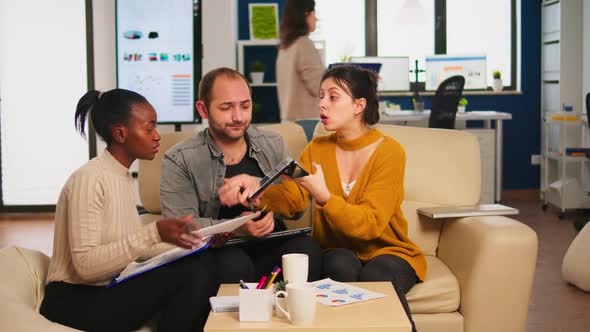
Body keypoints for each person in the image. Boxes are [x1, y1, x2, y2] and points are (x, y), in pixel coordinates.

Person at [39, 89, 238, 332]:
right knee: (193, 273)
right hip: (74, 301)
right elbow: (86, 266)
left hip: (106, 288)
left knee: (203, 261)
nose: (157, 137)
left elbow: (136, 250)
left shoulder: (120, 176)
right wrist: (154, 232)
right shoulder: (89, 179)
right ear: (120, 134)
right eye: (149, 128)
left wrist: (200, 242)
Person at [259, 65, 426, 332]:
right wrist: (256, 194)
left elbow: (369, 225)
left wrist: (325, 196)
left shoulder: (390, 153)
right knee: (338, 265)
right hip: (339, 249)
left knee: (377, 276)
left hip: (389, 251)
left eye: (333, 97)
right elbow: (294, 201)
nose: (322, 104)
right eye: (321, 96)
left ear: (359, 105)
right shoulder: (317, 148)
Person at [160, 67, 322, 282]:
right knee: (233, 264)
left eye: (245, 106)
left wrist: (270, 206)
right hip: (221, 252)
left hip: (271, 244)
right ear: (203, 109)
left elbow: (298, 205)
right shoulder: (179, 159)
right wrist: (238, 226)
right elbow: (180, 228)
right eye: (226, 108)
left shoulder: (273, 144)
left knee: (307, 250)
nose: (238, 117)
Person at [276, 0, 324, 121]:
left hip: (290, 121)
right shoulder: (304, 44)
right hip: (307, 122)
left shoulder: (286, 47)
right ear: (305, 15)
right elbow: (319, 86)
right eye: (314, 14)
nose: (316, 19)